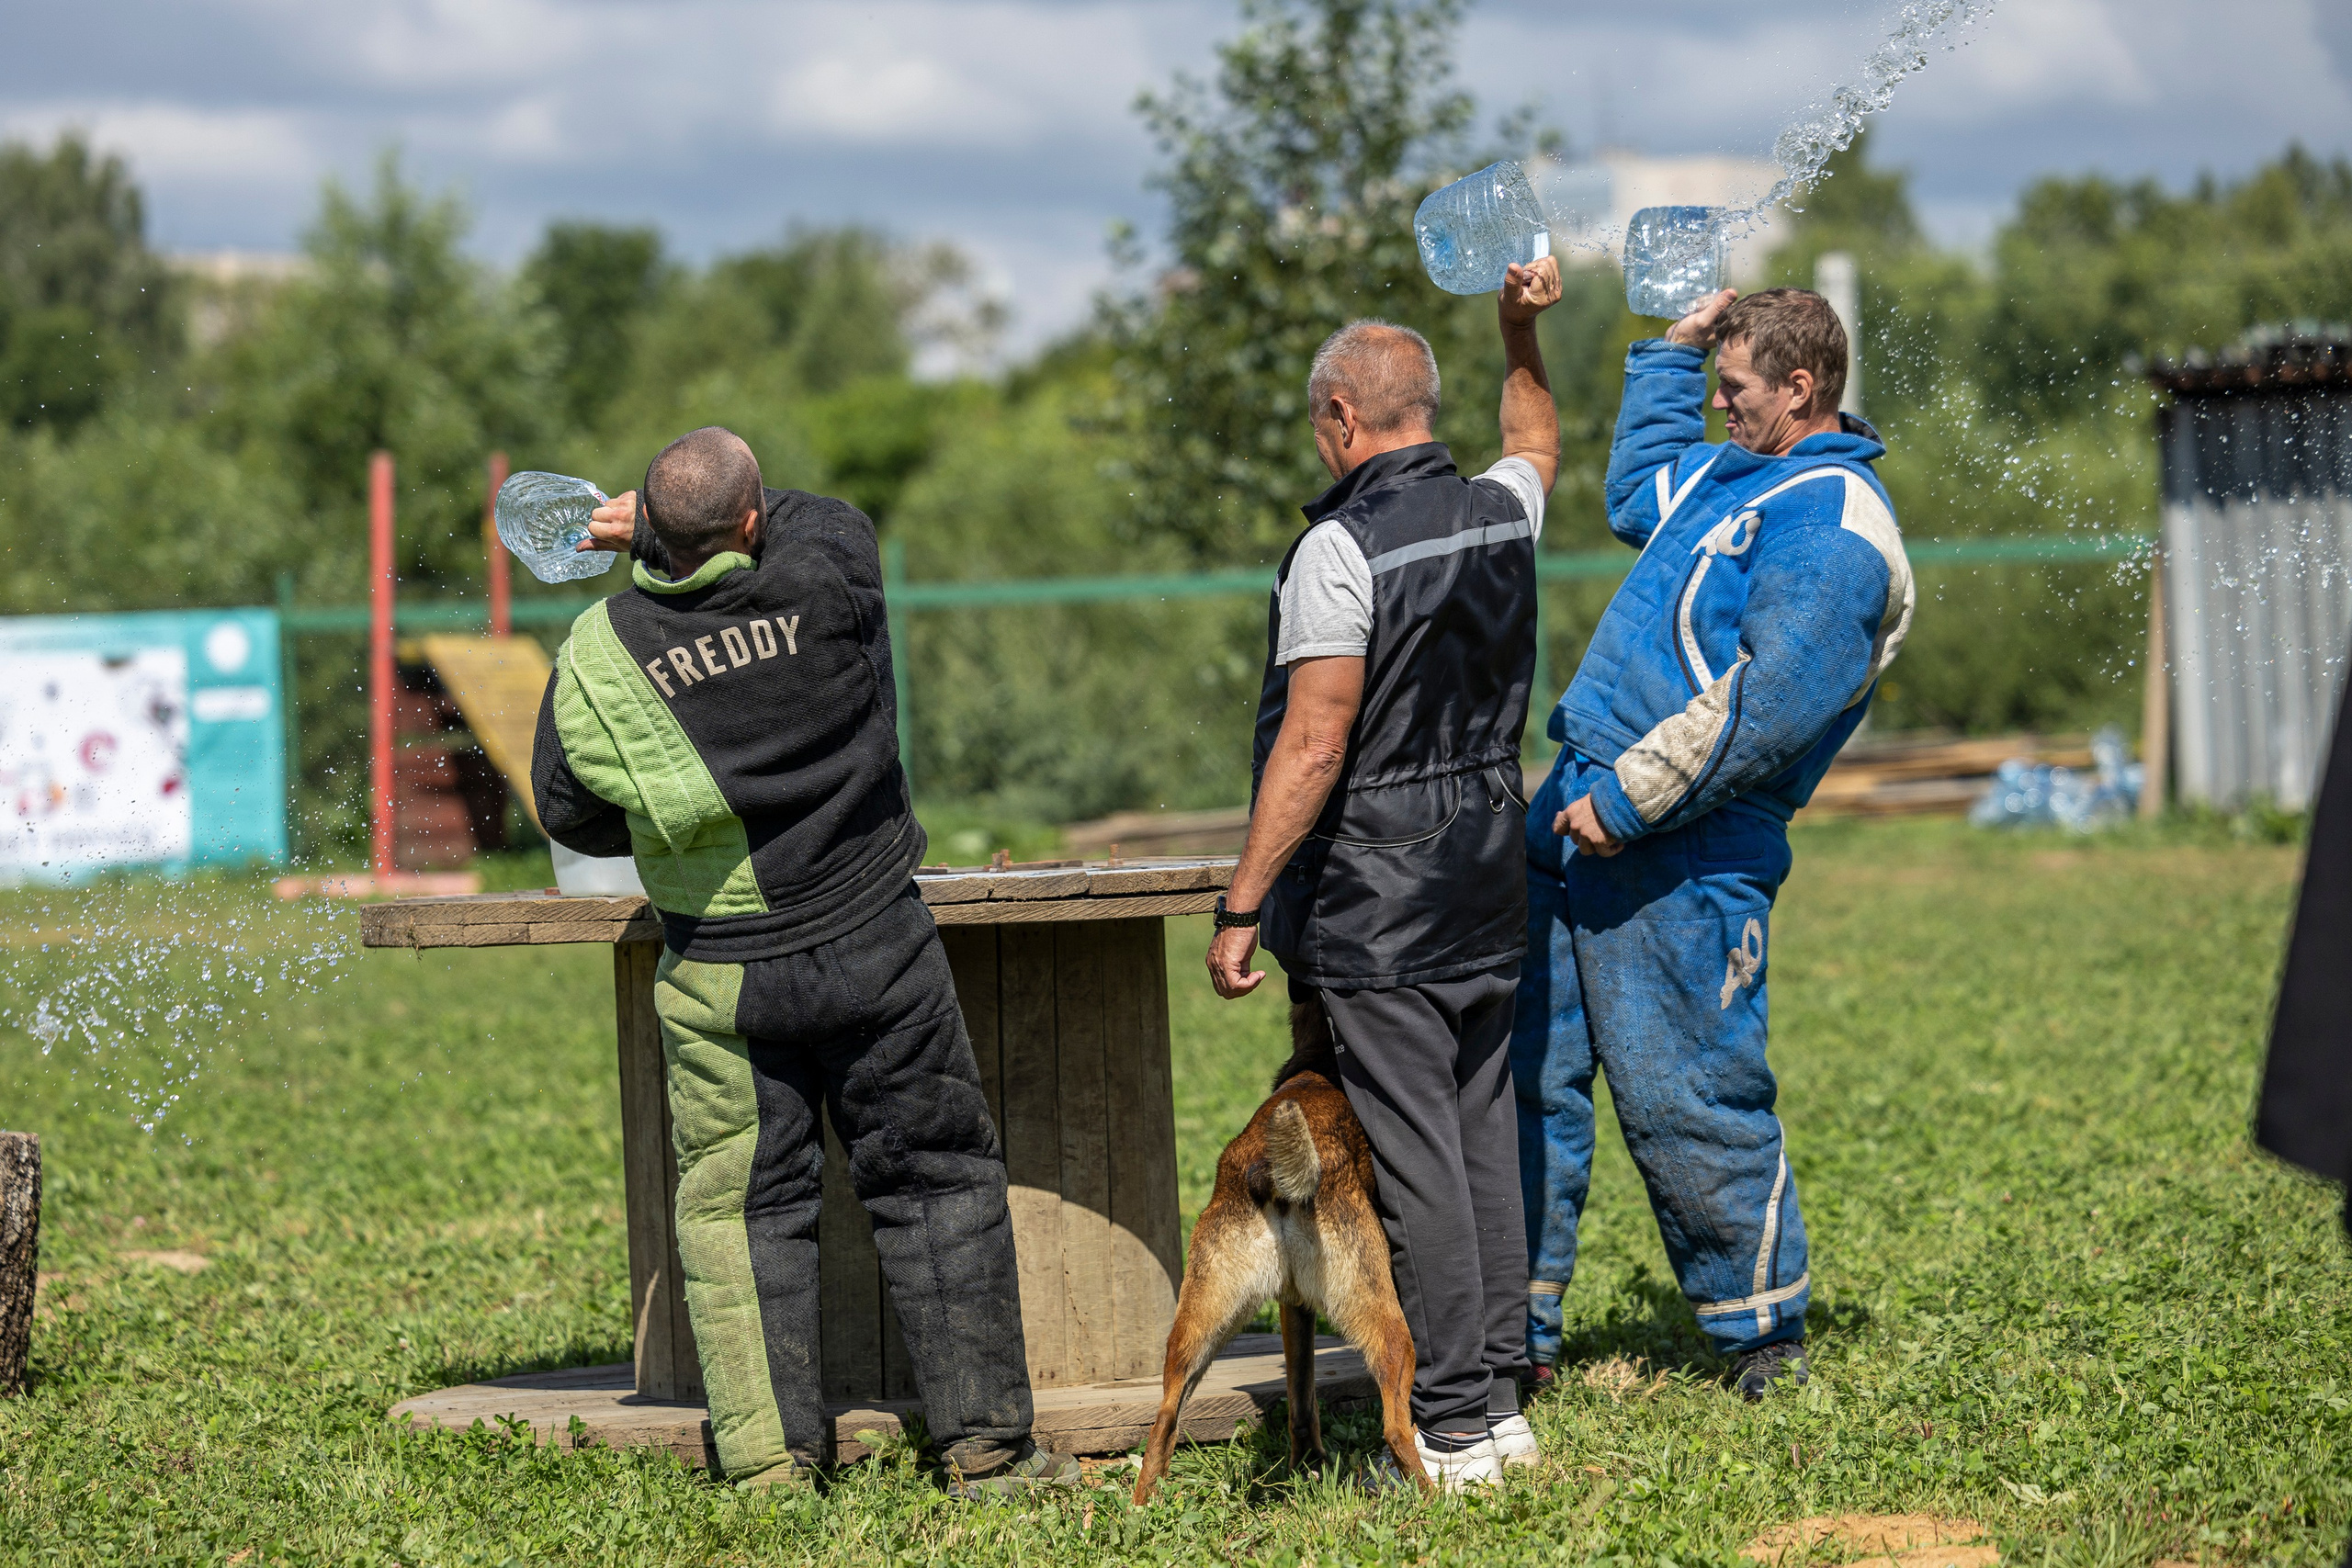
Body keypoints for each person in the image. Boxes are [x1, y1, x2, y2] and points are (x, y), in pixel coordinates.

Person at [529, 426, 1076, 1497]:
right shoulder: (825, 569)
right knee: (937, 1178)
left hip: (723, 973)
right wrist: (666, 521)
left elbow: (567, 812)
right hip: (878, 941)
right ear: (748, 521)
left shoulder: (600, 650)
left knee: (743, 1211)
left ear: (650, 532)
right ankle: (988, 1453)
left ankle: (772, 1472)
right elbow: (823, 513)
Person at [1512, 288, 1913, 1400]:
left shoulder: (1834, 517)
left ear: (1801, 388)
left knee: (1688, 1092)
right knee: (1527, 1076)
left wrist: (1632, 800)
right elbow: (1638, 490)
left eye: (1733, 388)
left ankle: (1759, 1341)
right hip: (1574, 805)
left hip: (1680, 841)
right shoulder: (1740, 474)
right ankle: (1516, 1337)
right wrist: (1671, 354)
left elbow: (1773, 697)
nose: (1719, 405)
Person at [1204, 256, 1564, 1489]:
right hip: (1487, 870)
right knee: (1478, 1135)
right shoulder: (1500, 507)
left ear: (1341, 420)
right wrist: (1518, 329)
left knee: (1416, 1159)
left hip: (1385, 897)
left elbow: (1314, 743)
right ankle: (1505, 1399)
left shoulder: (1339, 551)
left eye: (1322, 423)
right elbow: (1537, 435)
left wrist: (1244, 901)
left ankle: (1454, 1424)